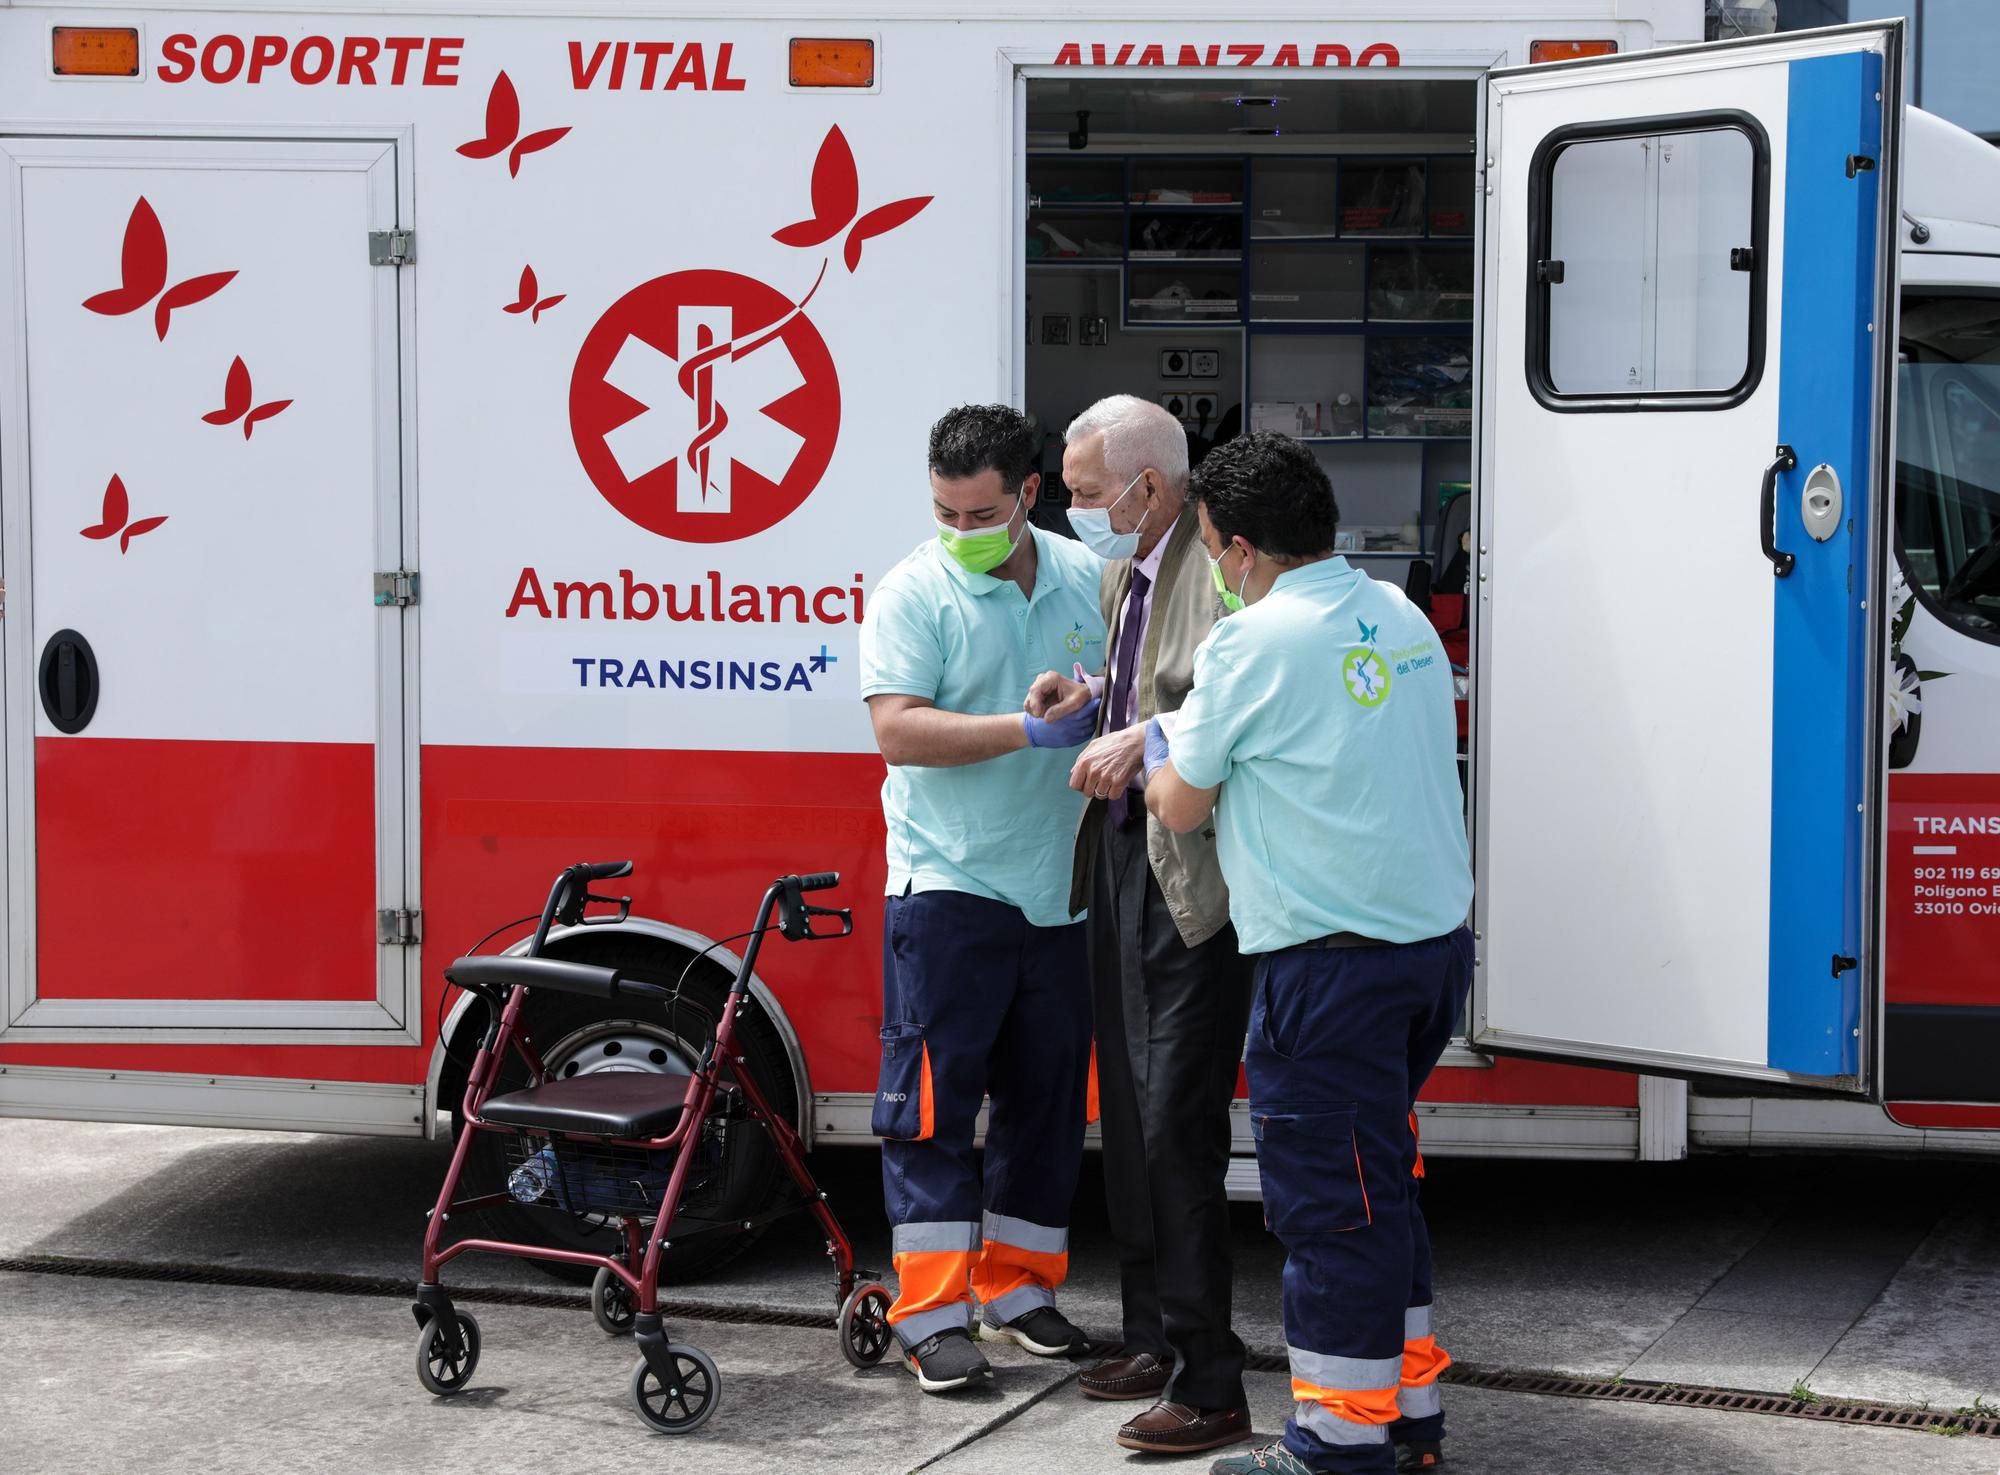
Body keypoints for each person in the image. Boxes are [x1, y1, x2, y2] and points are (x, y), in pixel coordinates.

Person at [1143, 433, 1474, 1475]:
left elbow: (1179, 802)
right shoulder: (1399, 613)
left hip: (1326, 969)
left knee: (1332, 1210)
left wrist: (1155, 741)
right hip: (1426, 951)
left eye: (1208, 553)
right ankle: (1405, 1416)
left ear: (1237, 550)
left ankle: (1332, 1444)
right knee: (1381, 1188)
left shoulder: (1250, 643)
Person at [858, 404, 1109, 1393]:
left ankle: (1018, 1289)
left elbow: (1126, 688)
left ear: (1028, 495)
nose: (960, 532)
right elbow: (898, 730)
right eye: (943, 512)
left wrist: (1086, 701)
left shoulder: (1088, 576)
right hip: (949, 885)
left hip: (1060, 890)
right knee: (928, 1107)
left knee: (1044, 1104)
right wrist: (1022, 727)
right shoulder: (913, 591)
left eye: (980, 513)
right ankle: (929, 1312)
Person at [1024, 395, 1255, 1457]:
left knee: (1172, 1120)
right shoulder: (1130, 568)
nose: (1076, 512)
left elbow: (1229, 708)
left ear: (1150, 488)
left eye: (1082, 494)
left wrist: (1142, 733)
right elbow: (1138, 687)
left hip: (1184, 872)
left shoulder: (1217, 572)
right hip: (1118, 857)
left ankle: (1209, 1375)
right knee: (1123, 1104)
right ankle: (1151, 1331)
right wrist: (1085, 698)